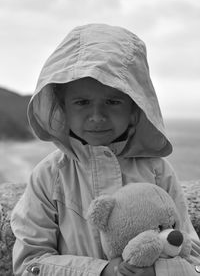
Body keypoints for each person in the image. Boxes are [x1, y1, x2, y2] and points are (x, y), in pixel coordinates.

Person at [11, 24, 200, 276]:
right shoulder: (49, 176)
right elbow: (28, 263)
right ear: (63, 109)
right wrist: (100, 271)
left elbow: (192, 255)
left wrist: (160, 271)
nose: (97, 116)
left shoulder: (158, 171)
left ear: (135, 109)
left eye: (112, 101)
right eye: (82, 102)